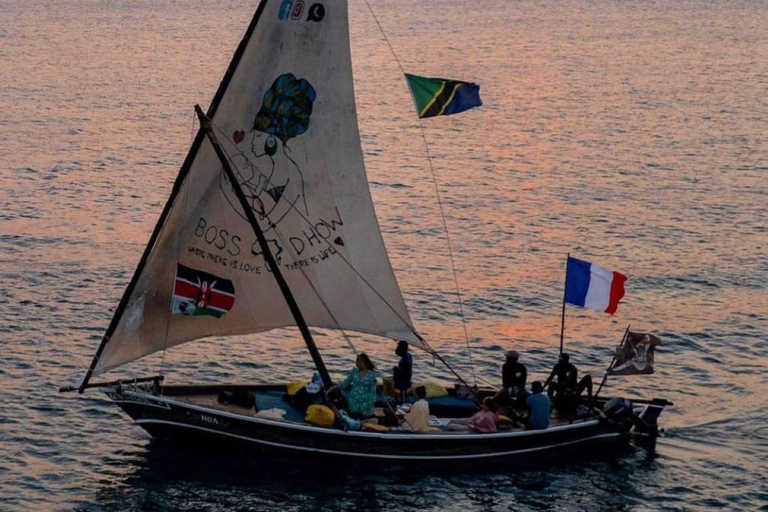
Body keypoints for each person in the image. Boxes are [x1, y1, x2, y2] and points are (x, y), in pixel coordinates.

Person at [335, 353, 379, 418]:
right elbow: (346, 382)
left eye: (358, 361)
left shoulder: (371, 375)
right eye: (356, 361)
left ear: (363, 362)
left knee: (364, 416)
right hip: (354, 398)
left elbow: (373, 390)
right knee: (353, 414)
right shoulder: (354, 372)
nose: (356, 363)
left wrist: (370, 402)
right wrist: (337, 386)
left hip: (365, 400)